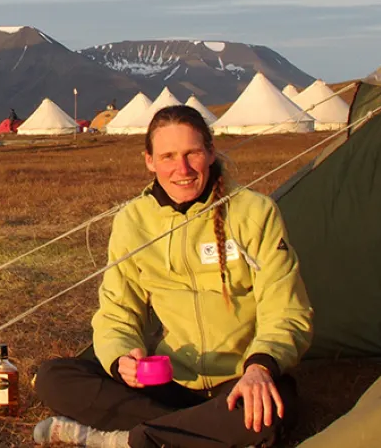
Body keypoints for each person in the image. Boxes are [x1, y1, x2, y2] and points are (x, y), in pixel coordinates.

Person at [32, 105, 313, 448]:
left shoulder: (254, 213)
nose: (181, 169)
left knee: (264, 416)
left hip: (239, 380)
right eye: (167, 156)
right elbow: (117, 311)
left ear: (210, 152)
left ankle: (116, 440)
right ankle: (194, 433)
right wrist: (122, 357)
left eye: (192, 153)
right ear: (149, 160)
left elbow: (286, 311)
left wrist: (261, 367)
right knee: (53, 378)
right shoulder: (134, 222)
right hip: (167, 381)